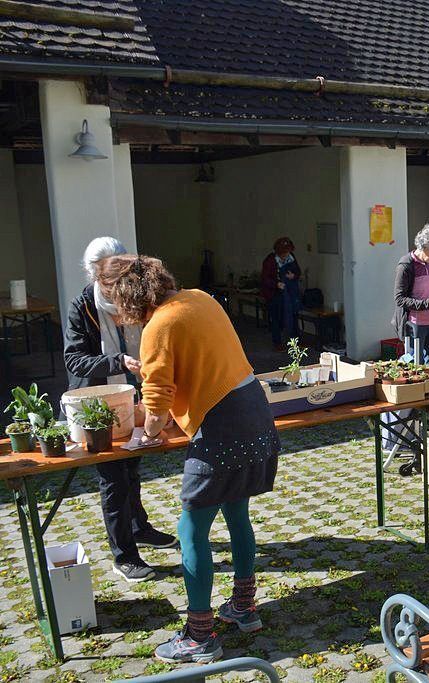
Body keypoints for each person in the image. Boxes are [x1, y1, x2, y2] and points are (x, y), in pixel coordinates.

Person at [97, 255, 280, 664]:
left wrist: (146, 433)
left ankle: (200, 637)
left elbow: (157, 404)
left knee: (190, 528)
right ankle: (244, 607)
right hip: (255, 411)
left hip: (222, 429)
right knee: (237, 514)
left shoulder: (158, 326)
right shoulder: (199, 298)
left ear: (127, 297)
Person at [64, 238, 176, 584]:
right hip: (99, 405)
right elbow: (74, 359)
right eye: (111, 281)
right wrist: (117, 361)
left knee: (132, 468)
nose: (118, 287)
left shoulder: (136, 296)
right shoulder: (83, 306)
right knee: (113, 479)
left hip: (134, 398)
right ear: (96, 276)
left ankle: (139, 528)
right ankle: (123, 556)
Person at [392, 225, 429, 364]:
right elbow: (399, 299)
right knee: (416, 365)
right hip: (415, 324)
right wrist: (426, 304)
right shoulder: (406, 265)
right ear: (425, 247)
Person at [260, 237, 301, 352]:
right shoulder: (270, 261)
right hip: (274, 294)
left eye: (288, 252)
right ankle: (277, 342)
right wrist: (276, 284)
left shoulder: (291, 258)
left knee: (293, 315)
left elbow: (298, 271)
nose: (286, 255)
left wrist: (293, 276)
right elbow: (265, 279)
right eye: (284, 253)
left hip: (290, 292)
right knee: (276, 318)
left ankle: (296, 341)